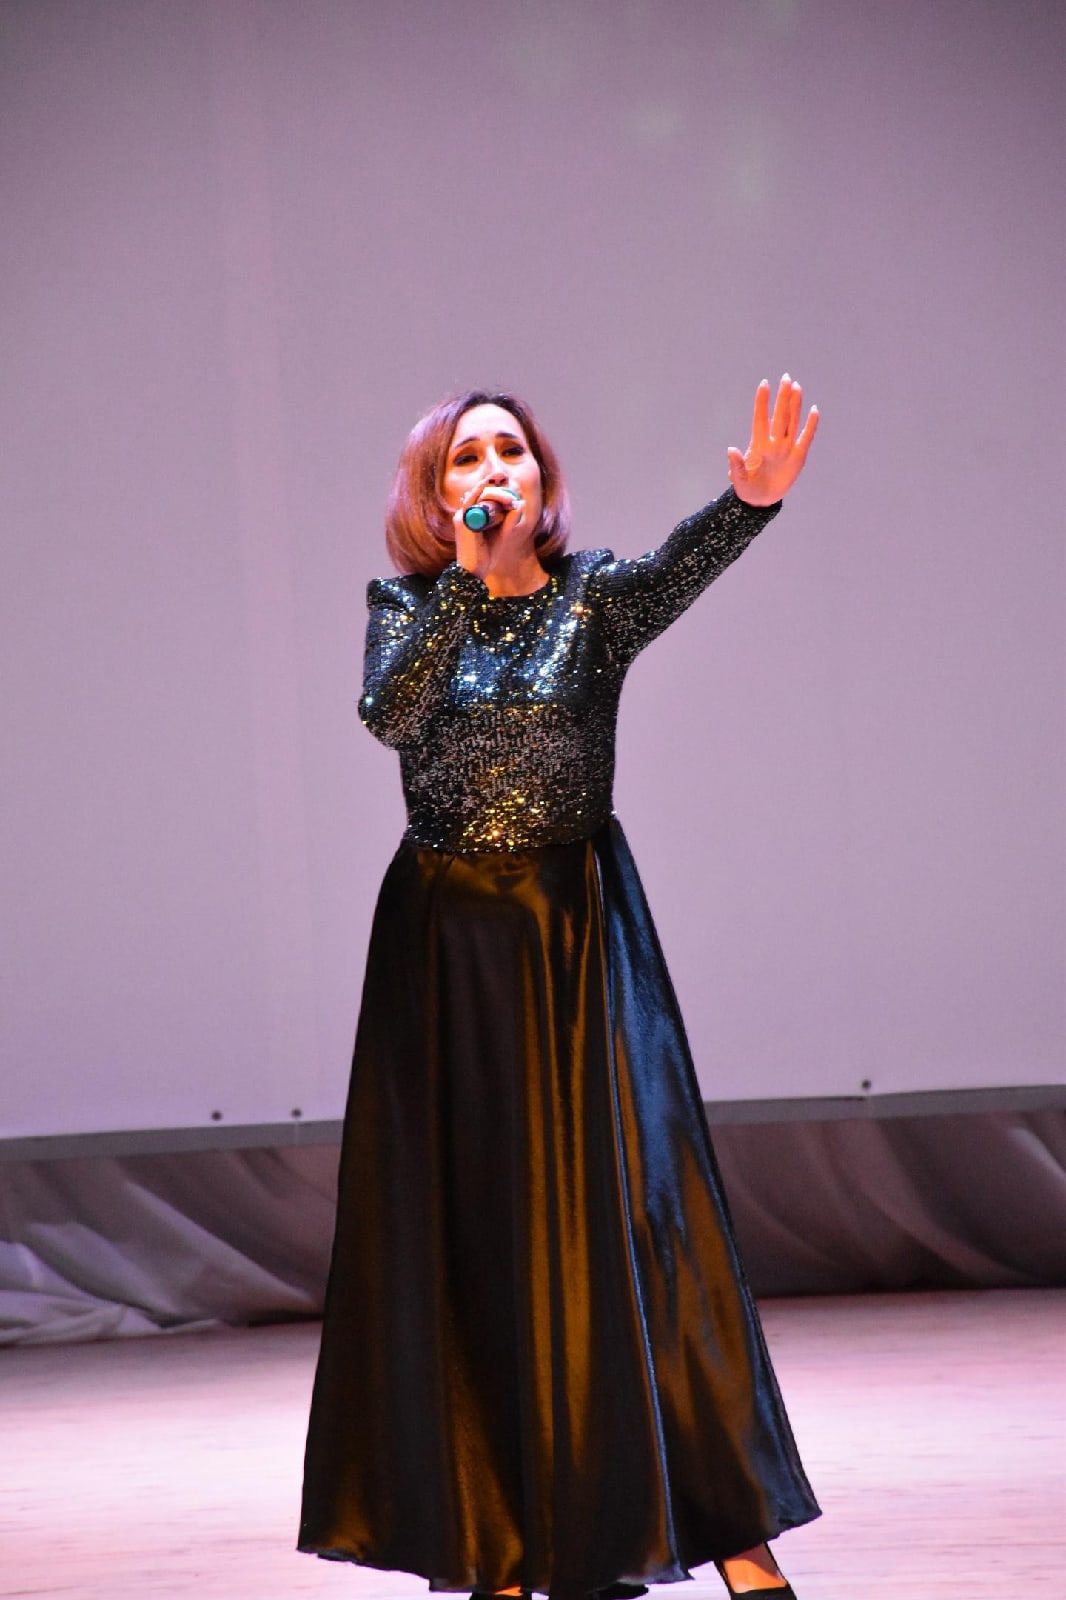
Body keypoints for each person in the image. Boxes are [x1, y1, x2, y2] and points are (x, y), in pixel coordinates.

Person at [297, 375, 822, 1600]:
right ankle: (496, 1542)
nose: (495, 470)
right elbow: (390, 715)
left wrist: (749, 505)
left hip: (578, 939)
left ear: (541, 478)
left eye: (512, 452)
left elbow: (685, 566)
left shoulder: (596, 600)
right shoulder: (405, 605)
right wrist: (465, 579)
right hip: (449, 957)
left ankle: (726, 1531)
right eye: (466, 458)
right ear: (437, 494)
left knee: (636, 1216)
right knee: (473, 1231)